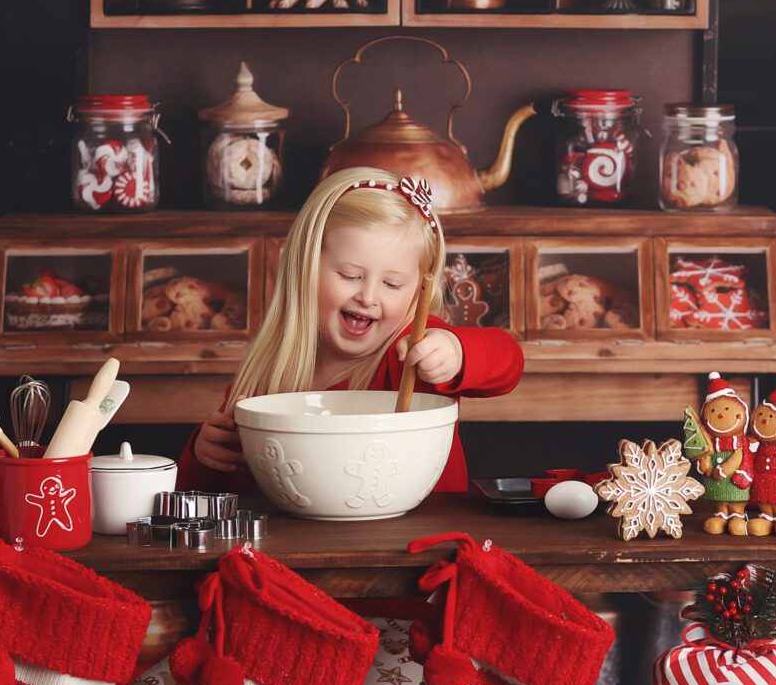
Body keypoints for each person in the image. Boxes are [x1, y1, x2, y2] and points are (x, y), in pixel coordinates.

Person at [177, 165, 523, 492]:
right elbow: (202, 495)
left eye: (392, 283)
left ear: (420, 289)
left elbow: (508, 360)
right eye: (350, 276)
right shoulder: (264, 377)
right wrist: (205, 455)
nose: (368, 296)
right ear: (305, 268)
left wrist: (458, 351)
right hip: (298, 550)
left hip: (418, 545)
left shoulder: (409, 352)